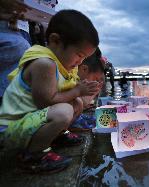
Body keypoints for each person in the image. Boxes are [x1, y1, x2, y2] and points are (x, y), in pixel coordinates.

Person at [0, 10, 100, 173]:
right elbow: (46, 101)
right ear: (55, 41)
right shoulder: (44, 64)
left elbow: (63, 94)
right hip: (11, 130)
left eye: (84, 58)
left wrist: (81, 91)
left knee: (77, 103)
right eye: (79, 55)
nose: (80, 62)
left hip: (29, 122)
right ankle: (33, 155)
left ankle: (57, 136)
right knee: (64, 111)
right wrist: (77, 90)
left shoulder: (61, 65)